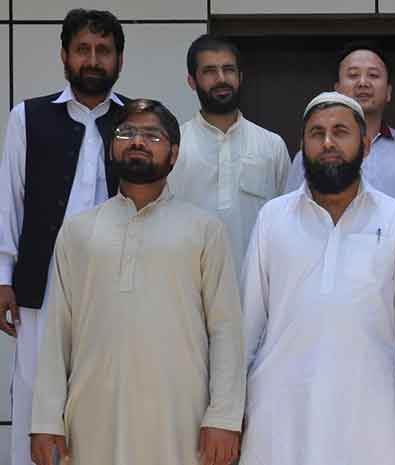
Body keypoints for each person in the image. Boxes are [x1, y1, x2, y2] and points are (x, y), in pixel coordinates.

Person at [30, 98, 245, 465]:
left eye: (152, 135)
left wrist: (224, 417)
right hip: (92, 420)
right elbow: (55, 334)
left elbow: (226, 330)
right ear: (112, 147)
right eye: (126, 133)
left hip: (181, 420)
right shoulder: (78, 231)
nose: (138, 142)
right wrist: (46, 420)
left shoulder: (205, 230)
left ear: (174, 154)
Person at [238, 92, 395, 465]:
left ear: (365, 146)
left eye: (340, 132)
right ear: (302, 146)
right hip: (280, 410)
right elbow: (247, 324)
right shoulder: (273, 218)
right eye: (316, 133)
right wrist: (233, 409)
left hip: (370, 413)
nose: (327, 142)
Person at [0, 9, 128, 465]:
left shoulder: (136, 120)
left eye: (103, 50)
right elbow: (9, 200)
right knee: (36, 395)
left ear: (119, 60)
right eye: (82, 49)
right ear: (64, 56)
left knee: (109, 396)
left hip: (118, 288)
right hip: (43, 284)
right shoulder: (27, 117)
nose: (93, 60)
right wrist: (3, 277)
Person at [169, 34, 290, 266]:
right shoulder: (174, 146)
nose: (221, 79)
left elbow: (287, 223)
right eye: (209, 71)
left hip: (254, 282)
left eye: (228, 70)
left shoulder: (272, 146)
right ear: (191, 81)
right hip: (188, 282)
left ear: (240, 77)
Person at [282, 43, 395, 210]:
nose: (363, 83)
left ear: (388, 92)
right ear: (337, 90)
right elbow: (290, 211)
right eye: (353, 75)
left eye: (373, 75)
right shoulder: (312, 153)